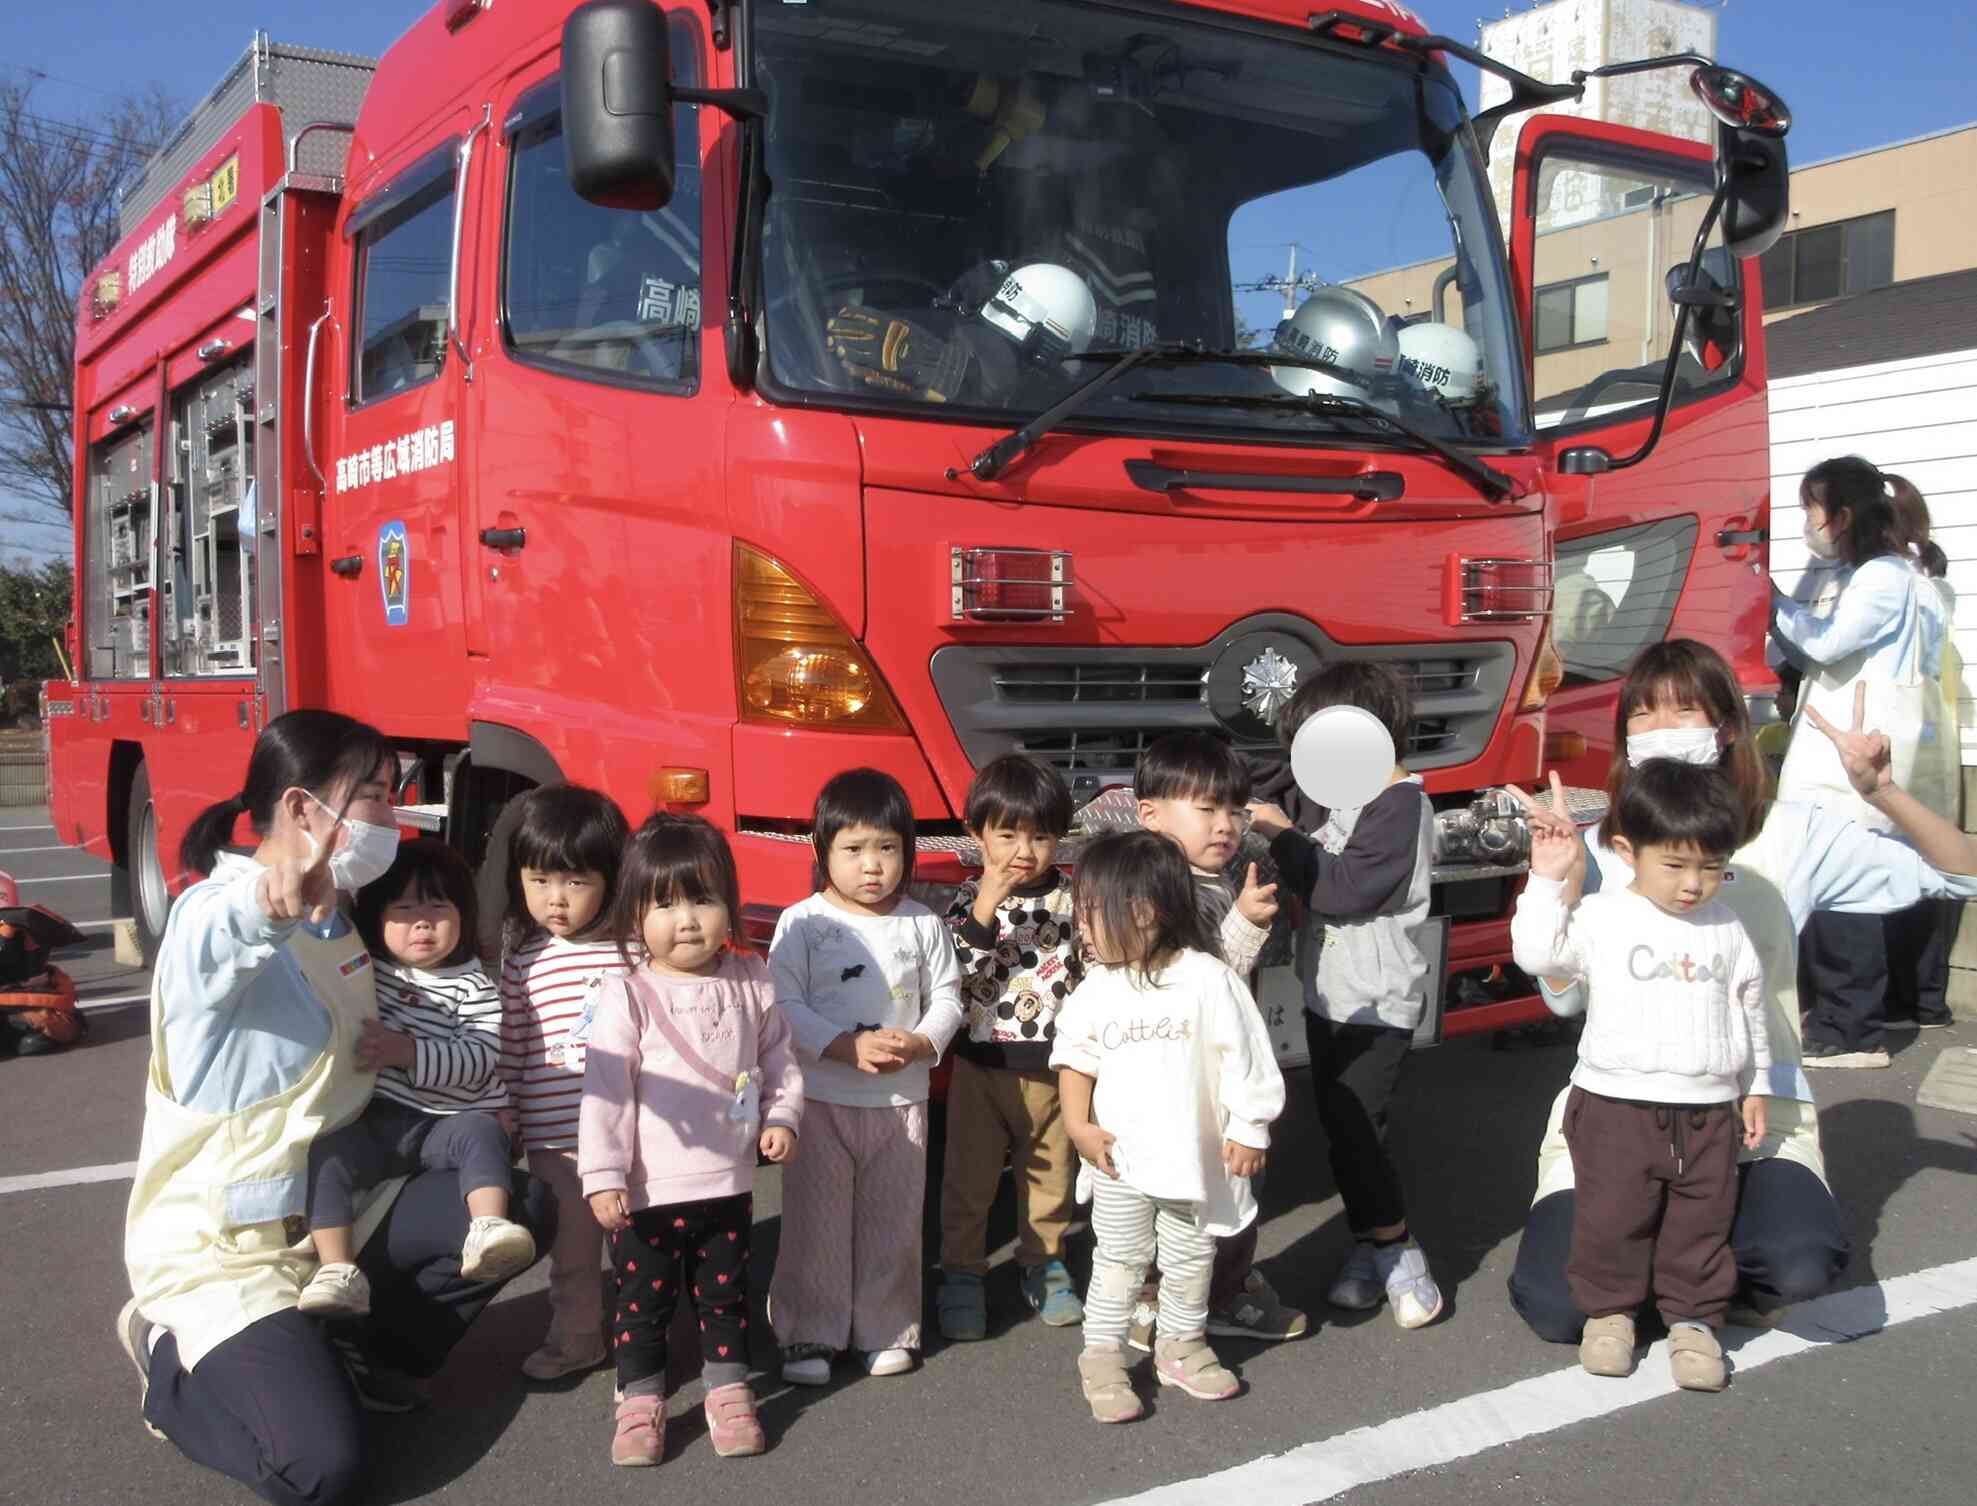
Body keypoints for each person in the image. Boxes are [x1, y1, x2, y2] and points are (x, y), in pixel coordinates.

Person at [117, 711, 553, 1506]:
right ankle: (167, 1367)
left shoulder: (338, 916)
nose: (395, 815)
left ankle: (368, 1357)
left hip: (338, 1216)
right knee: (324, 1472)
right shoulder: (213, 914)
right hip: (230, 1249)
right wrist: (267, 902)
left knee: (517, 1204)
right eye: (378, 797)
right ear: (300, 810)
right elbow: (220, 938)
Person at [1506, 639, 1977, 1345]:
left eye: (1683, 710)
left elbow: (1962, 877)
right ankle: (1666, 1255)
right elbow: (1561, 1000)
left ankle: (1679, 1256)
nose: (1661, 728)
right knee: (1556, 1307)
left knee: (1795, 1266)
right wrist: (1562, 880)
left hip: (1749, 1119)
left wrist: (1880, 791)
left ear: (1725, 726)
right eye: (1642, 715)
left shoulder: (1791, 834)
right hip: (1615, 1120)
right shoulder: (1604, 844)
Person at [1511, 760, 1771, 1392]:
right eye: (1675, 866)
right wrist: (1546, 879)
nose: (1693, 885)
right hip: (1614, 1105)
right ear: (1627, 851)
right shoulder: (1602, 916)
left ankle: (1694, 1321)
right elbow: (1539, 955)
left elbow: (1750, 1007)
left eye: (1711, 867)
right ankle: (1610, 1313)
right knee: (1611, 1215)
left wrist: (1757, 1083)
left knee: (1701, 1219)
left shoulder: (1728, 927)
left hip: (1709, 1108)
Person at [580, 814, 803, 1466]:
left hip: (728, 1184)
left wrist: (782, 1118)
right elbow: (605, 1095)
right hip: (646, 1192)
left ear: (728, 905)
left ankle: (729, 1394)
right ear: (633, 914)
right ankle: (641, 1402)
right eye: (665, 904)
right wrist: (603, 1177)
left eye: (703, 899)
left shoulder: (751, 978)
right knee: (641, 1307)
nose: (687, 920)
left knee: (724, 1299)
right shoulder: (626, 995)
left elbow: (779, 1062)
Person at [1052, 830, 1286, 1424]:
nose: (1080, 928)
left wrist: (1250, 1129)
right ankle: (1102, 1355)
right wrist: (1079, 1127)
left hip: (1192, 1161)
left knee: (1190, 1258)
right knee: (1119, 1260)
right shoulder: (1096, 989)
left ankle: (1180, 1345)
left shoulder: (1208, 980)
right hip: (1119, 1160)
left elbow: (1247, 1058)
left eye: (1089, 915)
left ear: (1145, 912)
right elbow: (1075, 1060)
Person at [1248, 662, 1444, 1330]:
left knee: (1359, 1131)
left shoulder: (1401, 806)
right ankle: (1369, 1247)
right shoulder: (1337, 796)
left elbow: (1340, 888)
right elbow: (1262, 783)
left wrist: (1278, 832)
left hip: (1377, 1003)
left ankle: (1398, 1250)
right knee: (1342, 1126)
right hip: (1329, 998)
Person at [767, 768, 966, 1384]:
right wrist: (842, 1048)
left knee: (892, 1221)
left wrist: (922, 1040)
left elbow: (950, 998)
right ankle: (809, 1335)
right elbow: (783, 1002)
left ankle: (886, 1330)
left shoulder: (922, 924)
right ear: (822, 850)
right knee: (816, 1225)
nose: (872, 866)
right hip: (821, 1098)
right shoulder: (802, 922)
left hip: (902, 1101)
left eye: (887, 848)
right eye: (853, 849)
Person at [1772, 457, 1959, 1068]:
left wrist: (1769, 598)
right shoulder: (1920, 581)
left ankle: (1850, 1031)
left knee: (1840, 882)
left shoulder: (1880, 577)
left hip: (1849, 755)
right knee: (1884, 879)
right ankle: (1894, 1006)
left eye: (1811, 509)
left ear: (1844, 515)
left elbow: (1826, 642)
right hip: (1896, 750)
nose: (1808, 522)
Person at [300, 841, 533, 1317]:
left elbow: (479, 1057)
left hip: (443, 1122)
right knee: (326, 1154)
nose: (422, 923)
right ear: (375, 918)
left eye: (437, 907)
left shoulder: (473, 986)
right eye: (403, 909)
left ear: (463, 915)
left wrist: (407, 1051)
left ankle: (487, 1226)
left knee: (481, 1131)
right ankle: (336, 1268)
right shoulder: (365, 969)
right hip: (377, 1119)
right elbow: (322, 938)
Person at [1134, 731, 1302, 1345]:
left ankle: (1189, 1292)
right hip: (1190, 1081)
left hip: (1214, 1077)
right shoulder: (1158, 892)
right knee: (1205, 1190)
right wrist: (1244, 926)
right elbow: (1195, 993)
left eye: (1234, 810)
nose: (1226, 824)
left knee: (1214, 1189)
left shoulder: (1210, 878)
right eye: (1206, 810)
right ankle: (1194, 1300)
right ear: (1151, 814)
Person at [937, 754, 1087, 1341]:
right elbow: (953, 975)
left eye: (1041, 836)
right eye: (1007, 835)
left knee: (1049, 1175)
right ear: (978, 836)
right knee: (969, 1179)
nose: (1024, 851)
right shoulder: (966, 900)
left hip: (1056, 1070)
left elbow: (1092, 971)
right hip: (981, 1064)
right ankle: (962, 1273)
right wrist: (984, 908)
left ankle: (1043, 1262)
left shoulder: (1076, 900)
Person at [493, 783, 634, 1380]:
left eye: (575, 882)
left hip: (632, 1139)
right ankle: (577, 1338)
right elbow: (511, 1047)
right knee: (574, 1256)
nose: (555, 900)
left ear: (610, 879)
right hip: (558, 1143)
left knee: (637, 1252)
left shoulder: (633, 952)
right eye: (539, 880)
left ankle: (643, 1340)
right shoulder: (521, 959)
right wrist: (507, 1117)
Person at [1883, 483, 1962, 1031]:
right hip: (1933, 742)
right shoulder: (1932, 584)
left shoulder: (1893, 585)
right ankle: (1924, 999)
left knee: (1889, 867)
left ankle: (1902, 1000)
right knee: (1927, 868)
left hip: (1894, 742)